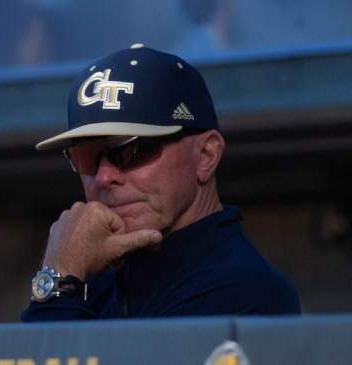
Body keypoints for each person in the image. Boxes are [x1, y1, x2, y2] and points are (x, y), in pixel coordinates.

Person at [21, 44, 301, 321]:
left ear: (206, 155)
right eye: (86, 156)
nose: (105, 177)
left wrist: (60, 276)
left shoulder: (242, 290)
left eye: (132, 150)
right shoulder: (95, 280)